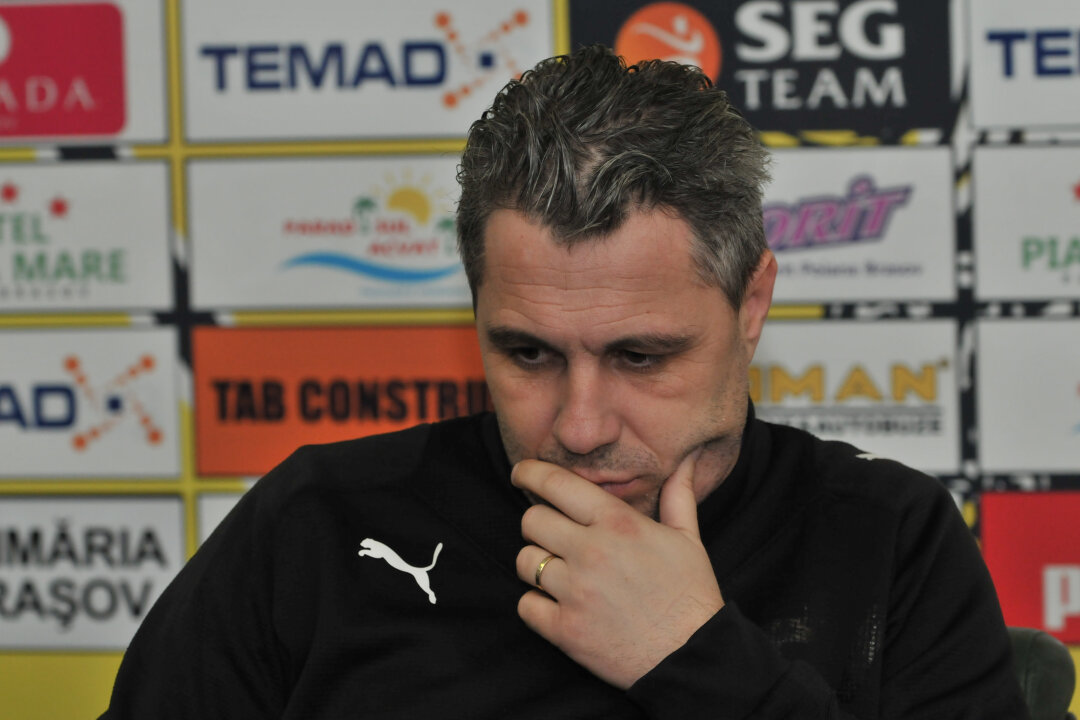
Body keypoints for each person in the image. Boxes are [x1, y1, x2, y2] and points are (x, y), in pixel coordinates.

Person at [99, 45, 1028, 719]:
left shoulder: (887, 539)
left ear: (750, 305)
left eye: (640, 357)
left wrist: (697, 657)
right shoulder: (319, 526)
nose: (580, 428)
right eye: (529, 355)